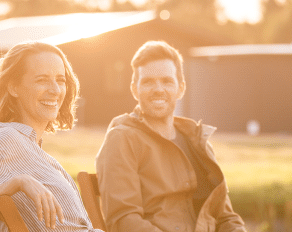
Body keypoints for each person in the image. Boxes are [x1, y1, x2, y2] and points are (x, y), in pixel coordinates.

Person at [0, 41, 103, 232]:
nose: (55, 90)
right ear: (13, 87)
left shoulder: (38, 153)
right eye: (42, 80)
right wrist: (16, 183)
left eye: (60, 80)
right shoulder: (3, 141)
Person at [96, 41, 247, 232]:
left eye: (167, 81)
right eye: (148, 81)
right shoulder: (122, 139)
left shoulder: (197, 142)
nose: (158, 89)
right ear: (135, 89)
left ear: (181, 88)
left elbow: (225, 217)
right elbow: (124, 221)